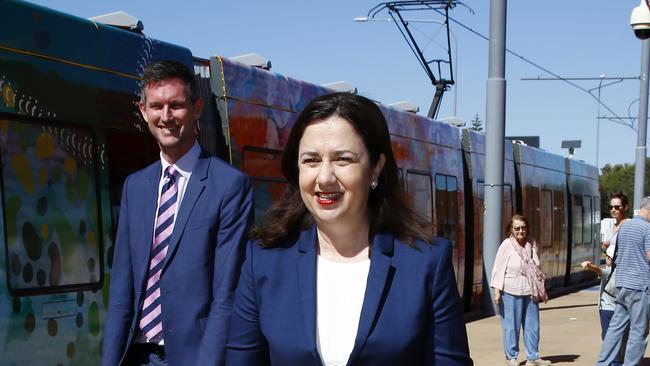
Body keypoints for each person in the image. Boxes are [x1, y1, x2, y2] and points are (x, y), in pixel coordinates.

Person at [226, 92, 472, 365]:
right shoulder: (264, 261)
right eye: (311, 160)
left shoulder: (427, 263)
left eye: (343, 159)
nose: (325, 177)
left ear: (376, 168)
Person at [102, 61, 254, 366]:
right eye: (157, 106)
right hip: (137, 356)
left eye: (176, 105)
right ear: (143, 111)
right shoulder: (136, 187)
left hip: (192, 357)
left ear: (197, 108)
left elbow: (226, 296)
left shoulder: (229, 186)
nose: (166, 117)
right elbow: (121, 288)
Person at [595, 196, 650, 366]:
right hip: (640, 286)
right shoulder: (648, 229)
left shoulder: (625, 227)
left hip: (622, 284)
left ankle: (602, 363)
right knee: (638, 331)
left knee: (615, 328)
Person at [491, 214, 551, 366]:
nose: (520, 231)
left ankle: (533, 357)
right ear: (511, 230)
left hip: (530, 291)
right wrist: (497, 291)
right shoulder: (506, 245)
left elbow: (536, 263)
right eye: (517, 228)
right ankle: (511, 357)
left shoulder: (531, 243)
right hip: (510, 292)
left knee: (533, 327)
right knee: (511, 327)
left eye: (523, 228)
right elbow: (498, 269)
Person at [581, 244, 624, 366]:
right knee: (616, 335)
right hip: (620, 310)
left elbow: (598, 270)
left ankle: (613, 362)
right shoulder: (623, 272)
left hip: (606, 310)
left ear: (610, 259)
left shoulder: (609, 271)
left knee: (608, 336)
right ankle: (616, 359)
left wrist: (589, 265)